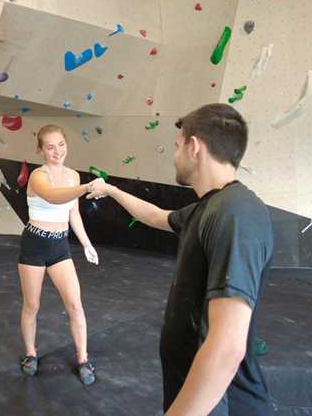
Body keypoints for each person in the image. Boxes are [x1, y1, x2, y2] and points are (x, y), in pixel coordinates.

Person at [87, 103, 274, 415]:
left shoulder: (236, 214)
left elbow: (227, 347)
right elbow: (158, 217)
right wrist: (111, 190)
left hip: (217, 404)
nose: (174, 156)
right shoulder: (210, 208)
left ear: (194, 146)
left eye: (177, 147)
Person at [18, 124, 102, 386]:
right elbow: (55, 198)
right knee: (32, 305)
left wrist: (87, 244)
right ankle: (31, 354)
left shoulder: (74, 176)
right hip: (34, 245)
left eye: (61, 144)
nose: (57, 151)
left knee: (76, 306)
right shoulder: (37, 176)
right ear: (41, 150)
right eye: (50, 146)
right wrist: (88, 187)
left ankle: (83, 358)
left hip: (60, 247)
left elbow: (72, 212)